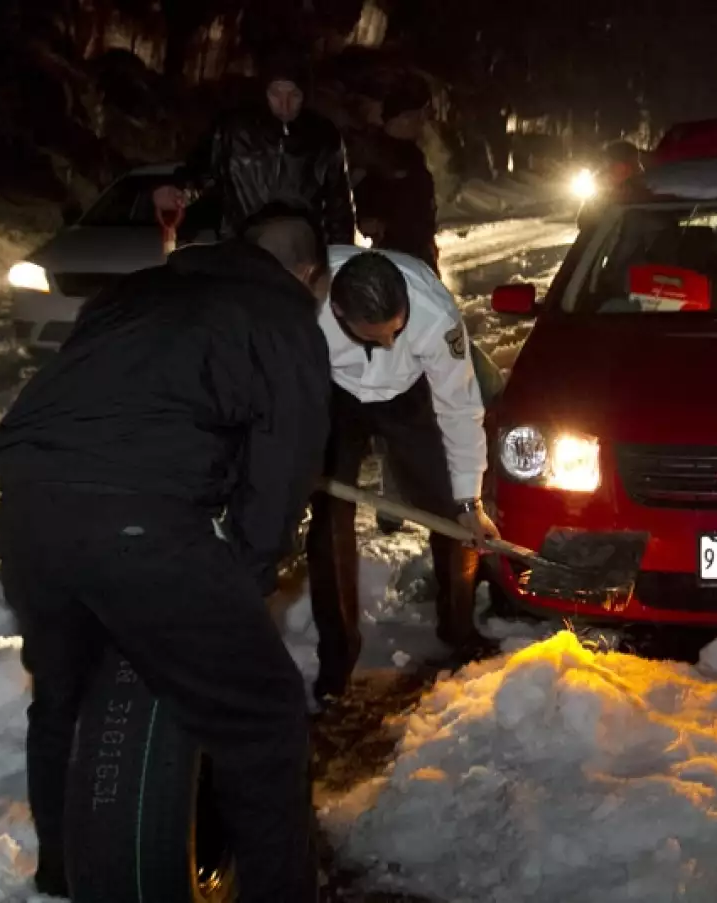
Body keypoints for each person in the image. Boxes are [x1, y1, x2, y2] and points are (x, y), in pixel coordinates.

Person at [0, 205, 334, 902]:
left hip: (26, 504)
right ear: (309, 275)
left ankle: (63, 872)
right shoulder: (283, 314)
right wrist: (248, 573)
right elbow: (286, 465)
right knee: (262, 716)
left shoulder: (132, 293)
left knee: (61, 693)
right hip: (137, 515)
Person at [306, 248, 495, 706]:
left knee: (451, 506)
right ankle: (338, 656)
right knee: (329, 521)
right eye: (376, 338)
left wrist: (470, 499)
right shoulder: (305, 303)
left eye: (397, 330)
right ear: (338, 311)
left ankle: (458, 626)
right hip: (332, 393)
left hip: (409, 394)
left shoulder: (433, 314)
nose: (390, 344)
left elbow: (460, 407)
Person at [154, 49, 357, 245]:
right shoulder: (233, 131)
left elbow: (339, 209)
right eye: (276, 94)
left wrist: (341, 260)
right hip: (242, 250)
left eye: (293, 95)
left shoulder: (324, 137)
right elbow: (202, 173)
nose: (284, 104)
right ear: (263, 92)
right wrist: (178, 190)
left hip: (302, 257)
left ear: (305, 94)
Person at [356, 79, 441, 273]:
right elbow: (359, 196)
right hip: (394, 251)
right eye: (415, 116)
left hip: (417, 247)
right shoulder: (374, 155)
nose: (421, 123)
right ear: (401, 118)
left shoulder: (411, 154)